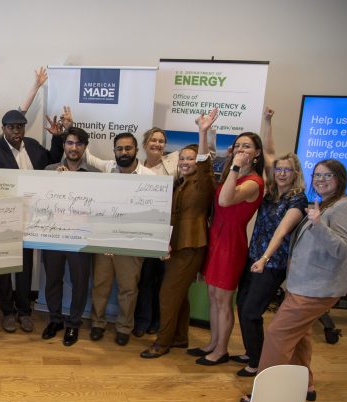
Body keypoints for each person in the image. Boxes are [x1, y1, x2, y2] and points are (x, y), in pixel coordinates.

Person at [240, 160, 347, 402]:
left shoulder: (345, 208)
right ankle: (305, 384)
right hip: (303, 284)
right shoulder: (326, 204)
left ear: (340, 178)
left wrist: (317, 225)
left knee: (277, 335)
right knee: (301, 335)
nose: (320, 180)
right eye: (317, 175)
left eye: (328, 176)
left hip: (316, 288)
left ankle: (265, 394)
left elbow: (342, 249)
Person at [233, 107, 307, 377]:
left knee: (253, 311)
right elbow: (270, 154)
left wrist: (264, 259)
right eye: (279, 170)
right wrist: (267, 121)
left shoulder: (297, 200)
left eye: (288, 170)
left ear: (295, 173)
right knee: (242, 305)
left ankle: (256, 363)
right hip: (254, 258)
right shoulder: (273, 191)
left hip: (271, 263)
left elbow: (282, 232)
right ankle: (252, 350)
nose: (282, 173)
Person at [140, 109, 216, 358]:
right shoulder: (181, 182)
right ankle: (180, 337)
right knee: (178, 294)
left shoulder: (202, 181)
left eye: (190, 159)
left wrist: (202, 132)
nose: (185, 162)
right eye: (182, 158)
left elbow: (205, 164)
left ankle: (162, 343)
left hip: (191, 246)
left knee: (168, 294)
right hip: (177, 245)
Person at [0, 109, 62, 333]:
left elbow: (52, 159)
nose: (16, 131)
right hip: (4, 220)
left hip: (31, 219)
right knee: (4, 267)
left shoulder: (33, 145)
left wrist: (57, 138)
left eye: (20, 126)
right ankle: (8, 313)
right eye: (11, 127)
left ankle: (24, 311)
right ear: (3, 128)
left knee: (26, 267)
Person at [189, 132, 265, 365]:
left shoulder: (253, 182)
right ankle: (213, 342)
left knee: (223, 300)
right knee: (213, 297)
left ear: (257, 154)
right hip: (216, 238)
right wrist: (204, 133)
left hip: (231, 244)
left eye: (247, 146)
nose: (241, 149)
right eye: (238, 145)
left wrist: (234, 167)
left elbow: (225, 201)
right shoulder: (233, 174)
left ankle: (221, 350)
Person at [87, 132, 155, 346]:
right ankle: (98, 323)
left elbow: (155, 213)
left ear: (136, 150)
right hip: (105, 241)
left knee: (128, 289)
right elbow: (87, 156)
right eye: (119, 149)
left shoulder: (150, 177)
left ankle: (124, 327)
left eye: (128, 148)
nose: (124, 152)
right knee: (100, 285)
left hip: (132, 243)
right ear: (114, 151)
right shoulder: (109, 169)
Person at [42, 125, 99, 347]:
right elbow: (40, 203)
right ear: (64, 146)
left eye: (78, 143)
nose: (73, 148)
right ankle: (55, 319)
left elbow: (98, 207)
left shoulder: (95, 175)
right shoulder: (49, 170)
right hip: (53, 237)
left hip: (80, 238)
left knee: (80, 282)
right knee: (52, 280)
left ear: (84, 147)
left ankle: (74, 324)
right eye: (69, 143)